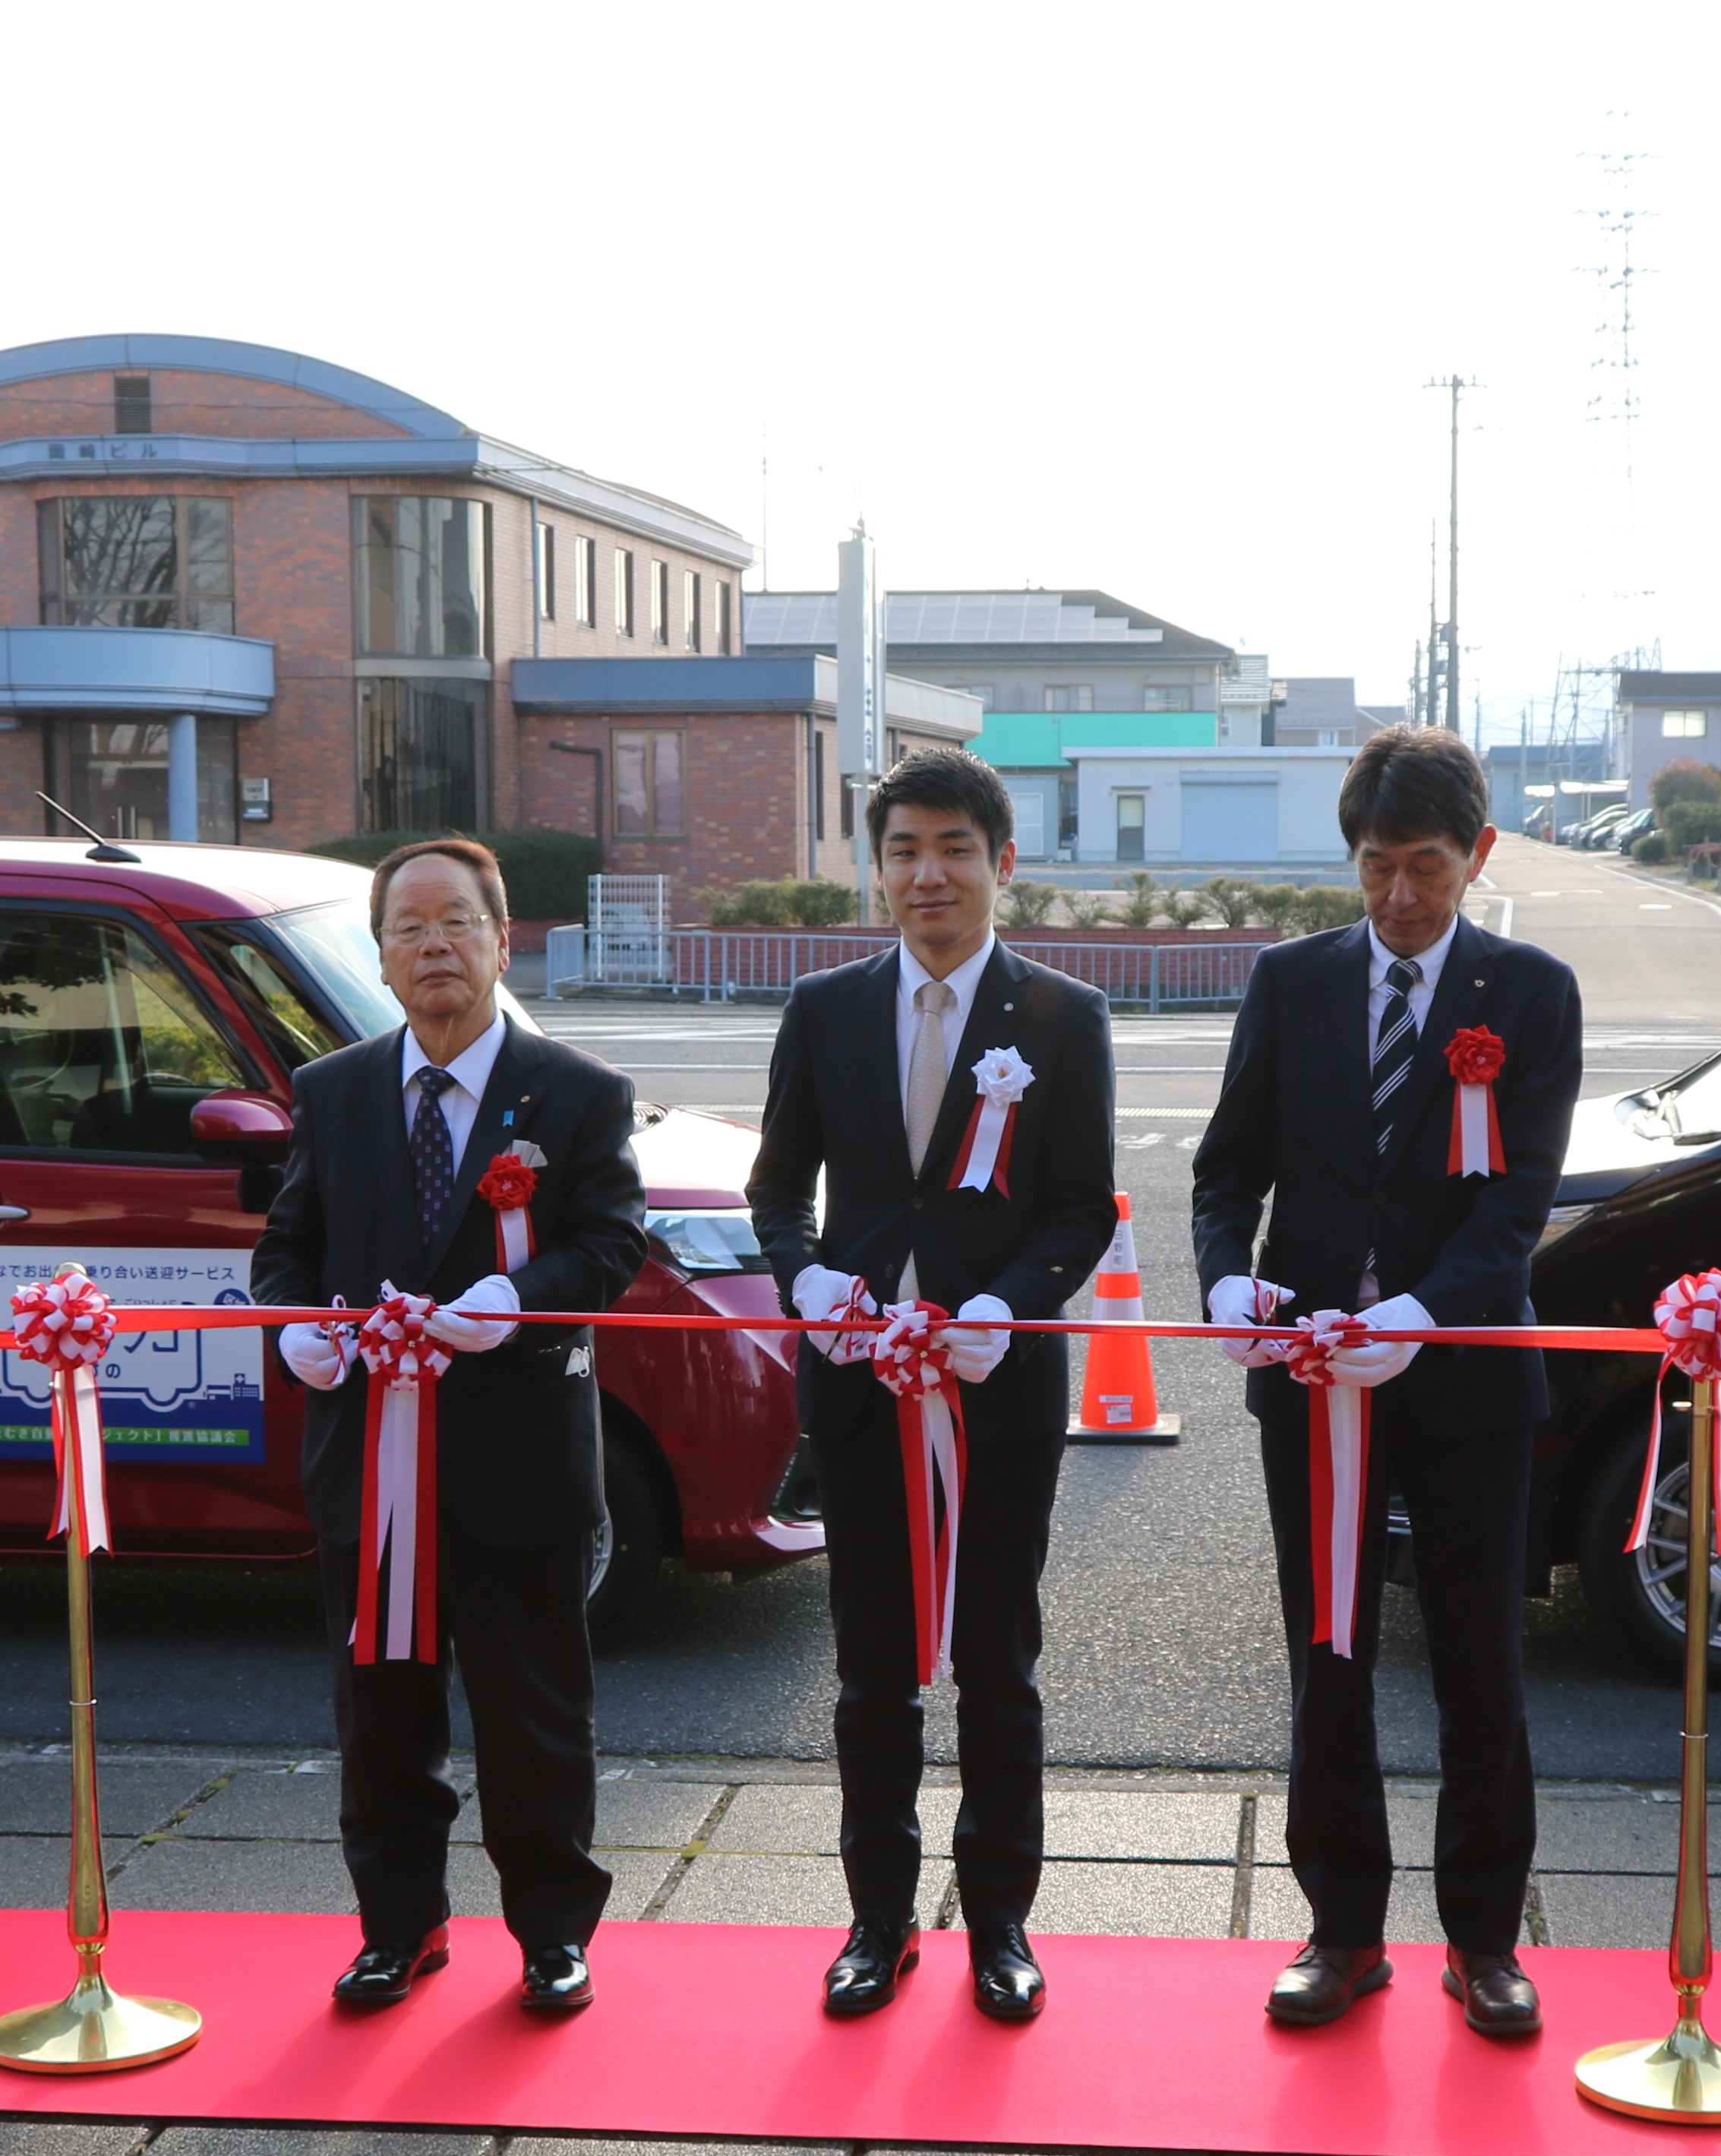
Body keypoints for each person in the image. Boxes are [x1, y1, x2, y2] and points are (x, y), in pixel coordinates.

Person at [1192, 725, 1580, 2036]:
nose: (1401, 899)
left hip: (1463, 1374)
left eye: (1426, 867)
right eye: (1376, 868)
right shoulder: (1290, 982)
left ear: (1476, 854)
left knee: (1480, 1663)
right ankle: (1343, 1930)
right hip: (1312, 1374)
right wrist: (1226, 1280)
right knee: (1330, 1651)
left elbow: (1518, 1200)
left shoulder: (1529, 993)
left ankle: (1484, 1939)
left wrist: (1421, 1311)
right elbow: (1225, 1169)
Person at [744, 747, 1119, 2022]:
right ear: (880, 866)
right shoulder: (825, 1009)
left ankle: (1001, 1921)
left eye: (954, 847)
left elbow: (1077, 1206)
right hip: (857, 1382)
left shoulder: (1065, 1017)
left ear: (1002, 863)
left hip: (996, 1387)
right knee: (870, 1668)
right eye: (903, 849)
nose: (928, 873)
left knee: (998, 1663)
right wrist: (804, 1279)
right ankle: (877, 1917)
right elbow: (776, 1190)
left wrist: (1007, 1307)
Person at [257, 838, 649, 2017]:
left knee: (534, 1712)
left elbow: (612, 1243)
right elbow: (287, 1250)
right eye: (409, 928)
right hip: (367, 1454)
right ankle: (398, 1927)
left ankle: (551, 1935)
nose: (435, 946)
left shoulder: (576, 1092)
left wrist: (510, 1304)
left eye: (457, 924)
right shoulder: (333, 1090)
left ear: (501, 937)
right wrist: (295, 1328)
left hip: (512, 1457)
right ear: (379, 958)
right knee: (381, 1711)